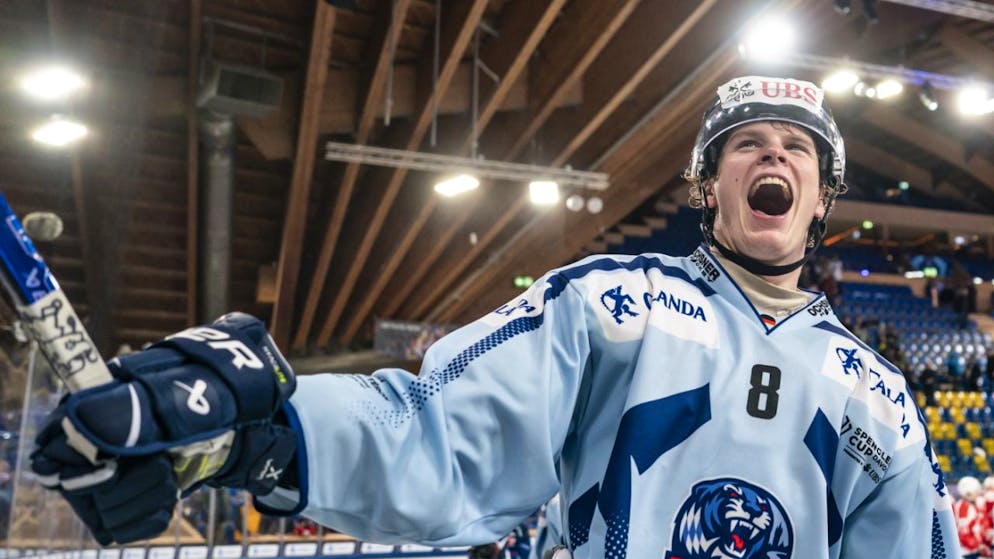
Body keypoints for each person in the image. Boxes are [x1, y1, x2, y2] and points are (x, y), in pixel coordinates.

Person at [28, 75, 960, 557]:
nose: (775, 157)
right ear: (708, 184)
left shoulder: (880, 398)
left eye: (798, 149)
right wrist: (261, 437)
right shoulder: (613, 306)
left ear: (822, 194)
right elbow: (439, 434)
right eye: (748, 143)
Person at [954, 476, 991, 558]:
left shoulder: (975, 505)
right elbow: (963, 532)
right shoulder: (963, 507)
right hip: (968, 552)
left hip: (977, 549)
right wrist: (978, 546)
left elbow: (981, 526)